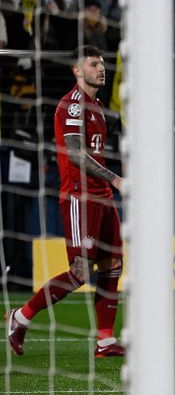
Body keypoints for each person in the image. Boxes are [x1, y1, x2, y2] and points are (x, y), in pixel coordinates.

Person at [6, 45, 125, 358]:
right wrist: (114, 178)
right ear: (77, 70)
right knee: (80, 272)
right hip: (79, 196)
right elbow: (74, 153)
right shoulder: (72, 105)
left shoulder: (97, 105)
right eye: (93, 64)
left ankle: (105, 341)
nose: (101, 69)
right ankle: (20, 317)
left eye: (102, 63)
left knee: (112, 264)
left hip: (102, 197)